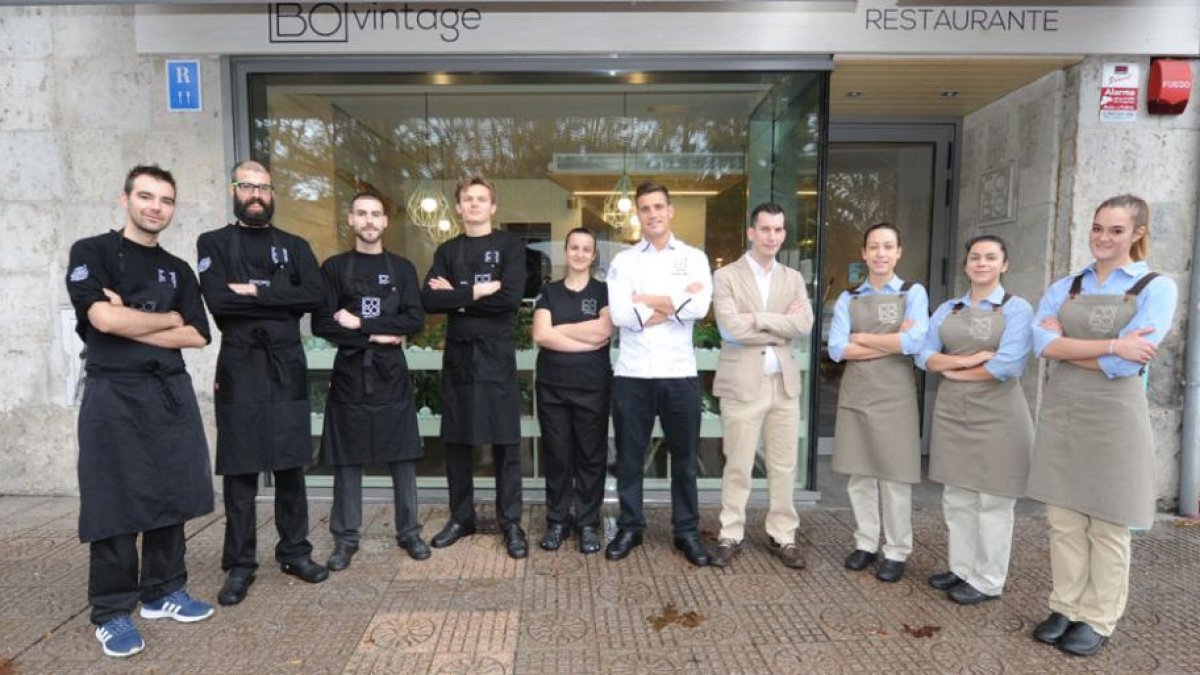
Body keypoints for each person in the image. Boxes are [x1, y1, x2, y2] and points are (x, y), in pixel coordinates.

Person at [66, 165, 215, 658]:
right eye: (147, 197)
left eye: (166, 200)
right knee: (113, 501)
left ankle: (163, 591)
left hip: (169, 392)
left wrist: (132, 318)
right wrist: (166, 317)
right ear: (125, 199)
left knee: (172, 491)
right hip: (114, 394)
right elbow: (102, 319)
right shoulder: (92, 252)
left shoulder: (179, 269)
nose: (156, 207)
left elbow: (197, 334)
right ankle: (111, 611)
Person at [1026, 195, 1177, 657]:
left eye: (1115, 230)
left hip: (1115, 416)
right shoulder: (1067, 285)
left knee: (1108, 521)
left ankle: (1097, 617)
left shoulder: (1156, 287)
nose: (1102, 238)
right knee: (1064, 519)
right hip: (1064, 411)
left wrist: (1069, 344)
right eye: (1097, 228)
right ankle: (1065, 605)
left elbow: (1129, 364)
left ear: (1137, 233)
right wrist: (1111, 345)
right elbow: (1042, 344)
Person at [198, 160, 328, 606]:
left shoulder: (295, 245)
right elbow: (218, 302)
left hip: (286, 365)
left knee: (291, 465)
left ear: (272, 194)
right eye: (248, 186)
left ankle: (295, 552)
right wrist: (281, 299)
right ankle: (240, 563)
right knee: (241, 471)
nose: (257, 194)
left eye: (264, 187)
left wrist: (255, 292)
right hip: (239, 365)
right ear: (234, 190)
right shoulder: (213, 242)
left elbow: (315, 295)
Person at [313, 191, 429, 571]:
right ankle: (345, 538)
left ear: (385, 222)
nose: (369, 221)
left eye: (375, 214)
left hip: (391, 374)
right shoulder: (334, 268)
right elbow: (322, 323)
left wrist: (362, 324)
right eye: (361, 213)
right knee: (347, 458)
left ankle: (409, 531)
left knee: (403, 456)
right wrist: (378, 335)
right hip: (350, 374)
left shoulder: (402, 268)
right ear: (350, 219)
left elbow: (414, 320)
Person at [916, 235, 1034, 604]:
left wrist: (952, 372)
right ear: (966, 265)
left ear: (1004, 264)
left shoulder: (1017, 309)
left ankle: (988, 579)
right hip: (953, 413)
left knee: (994, 501)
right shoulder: (948, 308)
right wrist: (967, 361)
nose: (981, 263)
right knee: (957, 496)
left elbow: (1007, 365)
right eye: (975, 257)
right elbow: (923, 354)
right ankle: (962, 568)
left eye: (990, 257)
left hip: (1000, 416)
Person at [420, 176, 529, 559]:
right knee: (457, 441)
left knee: (506, 443)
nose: (475, 204)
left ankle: (510, 522)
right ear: (459, 207)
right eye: (468, 199)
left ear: (492, 206)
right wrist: (477, 292)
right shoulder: (448, 249)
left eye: (482, 199)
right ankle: (461, 517)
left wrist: (457, 298)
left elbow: (510, 299)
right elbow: (429, 299)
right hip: (460, 358)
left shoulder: (510, 246)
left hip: (497, 357)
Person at [605, 182, 714, 567]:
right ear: (638, 214)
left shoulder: (694, 258)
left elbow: (699, 307)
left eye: (658, 207)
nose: (652, 214)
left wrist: (646, 299)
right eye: (645, 208)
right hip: (632, 374)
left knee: (684, 461)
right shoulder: (624, 261)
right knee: (630, 459)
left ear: (670, 211)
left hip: (679, 373)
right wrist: (675, 303)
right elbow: (620, 315)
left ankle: (686, 532)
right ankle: (630, 527)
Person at [709, 203, 814, 570]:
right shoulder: (726, 276)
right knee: (738, 465)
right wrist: (779, 326)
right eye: (765, 229)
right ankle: (730, 533)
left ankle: (783, 534)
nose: (772, 236)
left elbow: (804, 324)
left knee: (784, 466)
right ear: (751, 232)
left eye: (778, 229)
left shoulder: (793, 278)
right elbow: (730, 329)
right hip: (742, 384)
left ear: (784, 234)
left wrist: (756, 318)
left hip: (783, 385)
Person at [827, 222, 928, 583]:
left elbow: (913, 342)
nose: (880, 253)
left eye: (887, 246)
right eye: (874, 247)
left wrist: (862, 339)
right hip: (857, 394)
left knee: (894, 477)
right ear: (864, 253)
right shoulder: (849, 298)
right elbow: (837, 349)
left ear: (898, 252)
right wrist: (890, 341)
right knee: (860, 474)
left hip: (895, 395)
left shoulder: (913, 293)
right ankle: (866, 543)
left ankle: (897, 550)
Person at [531, 227, 613, 554]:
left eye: (586, 249)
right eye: (574, 247)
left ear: (593, 255)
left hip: (593, 387)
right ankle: (557, 521)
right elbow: (541, 335)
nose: (579, 254)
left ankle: (588, 523)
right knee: (558, 456)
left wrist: (560, 331)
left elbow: (604, 329)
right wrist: (585, 343)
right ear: (566, 252)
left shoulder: (603, 291)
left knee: (591, 456)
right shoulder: (548, 291)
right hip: (552, 388)